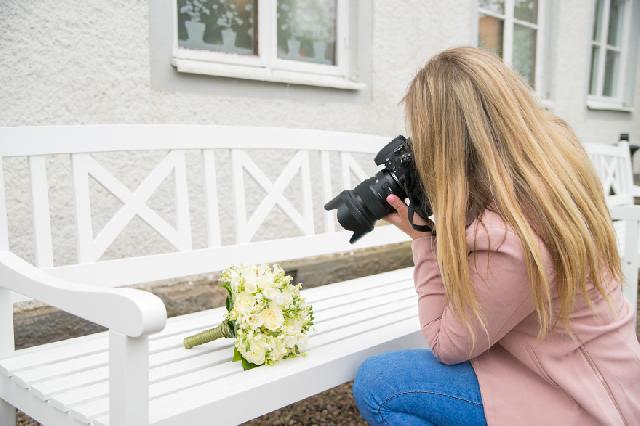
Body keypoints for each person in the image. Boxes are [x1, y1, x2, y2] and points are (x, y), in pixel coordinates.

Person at [351, 47, 640, 425]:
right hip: (602, 373)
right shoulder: (551, 163)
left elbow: (444, 345)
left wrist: (423, 240)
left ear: (450, 142)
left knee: (381, 385)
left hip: (584, 404)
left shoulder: (507, 241)